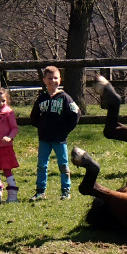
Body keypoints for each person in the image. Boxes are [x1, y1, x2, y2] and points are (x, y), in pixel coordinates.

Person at [30, 66, 80, 201]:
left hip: (60, 139)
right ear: (44, 80)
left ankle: (66, 191)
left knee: (63, 165)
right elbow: (33, 116)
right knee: (42, 165)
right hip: (44, 138)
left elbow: (76, 113)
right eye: (50, 78)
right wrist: (42, 126)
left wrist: (66, 129)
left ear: (60, 79)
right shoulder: (41, 98)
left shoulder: (65, 98)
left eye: (56, 78)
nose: (53, 81)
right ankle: (40, 191)